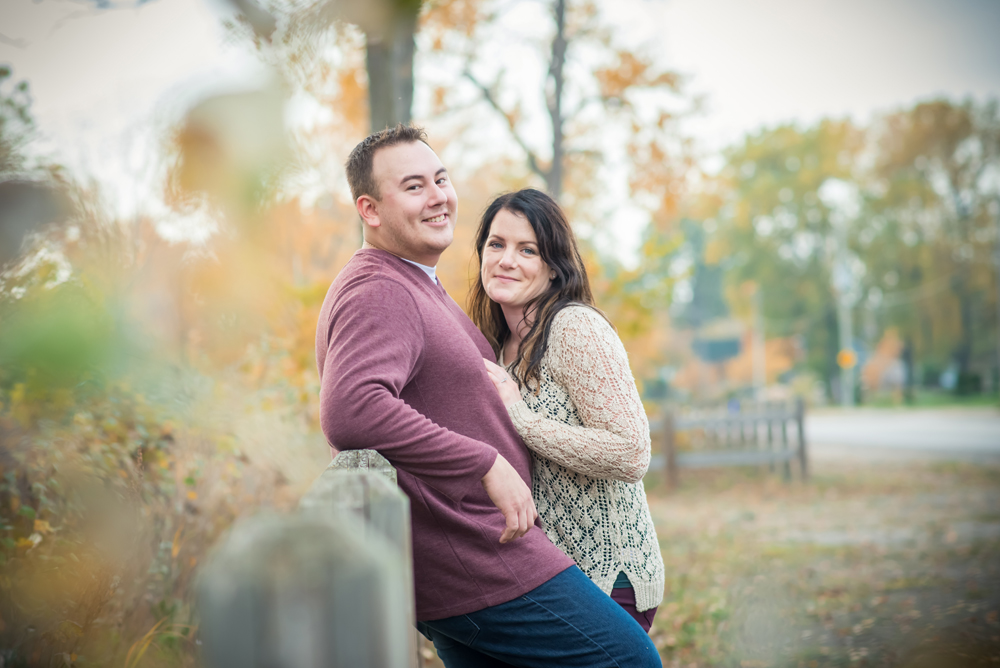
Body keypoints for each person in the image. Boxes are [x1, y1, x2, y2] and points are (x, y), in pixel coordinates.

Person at [316, 124, 661, 668]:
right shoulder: (380, 288)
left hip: (484, 556)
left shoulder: (418, 285)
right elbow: (351, 409)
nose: (437, 196)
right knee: (630, 660)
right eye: (413, 186)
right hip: (482, 560)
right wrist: (484, 463)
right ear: (370, 209)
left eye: (441, 179)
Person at [471, 188, 665, 632]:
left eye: (527, 250)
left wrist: (521, 417)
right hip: (548, 574)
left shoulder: (574, 327)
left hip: (609, 575)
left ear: (554, 267)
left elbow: (631, 452)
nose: (506, 260)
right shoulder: (496, 347)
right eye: (496, 244)